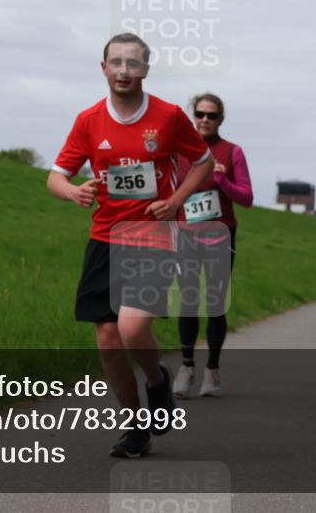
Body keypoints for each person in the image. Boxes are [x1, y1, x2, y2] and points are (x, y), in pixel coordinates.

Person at [47, 33, 214, 458]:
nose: (124, 70)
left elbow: (204, 164)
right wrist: (73, 193)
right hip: (104, 237)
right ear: (103, 68)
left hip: (151, 234)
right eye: (116, 62)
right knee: (107, 340)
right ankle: (136, 428)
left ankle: (156, 378)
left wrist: (175, 201)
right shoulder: (89, 121)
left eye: (133, 63)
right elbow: (55, 177)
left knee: (132, 327)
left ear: (145, 69)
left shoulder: (169, 116)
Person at [171, 93, 253, 399]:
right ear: (193, 115)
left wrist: (222, 181)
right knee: (188, 298)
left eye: (212, 115)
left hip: (220, 235)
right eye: (201, 114)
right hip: (186, 234)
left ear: (221, 119)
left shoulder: (232, 152)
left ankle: (212, 369)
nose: (205, 119)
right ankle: (187, 365)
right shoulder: (178, 151)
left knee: (215, 303)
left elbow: (246, 198)